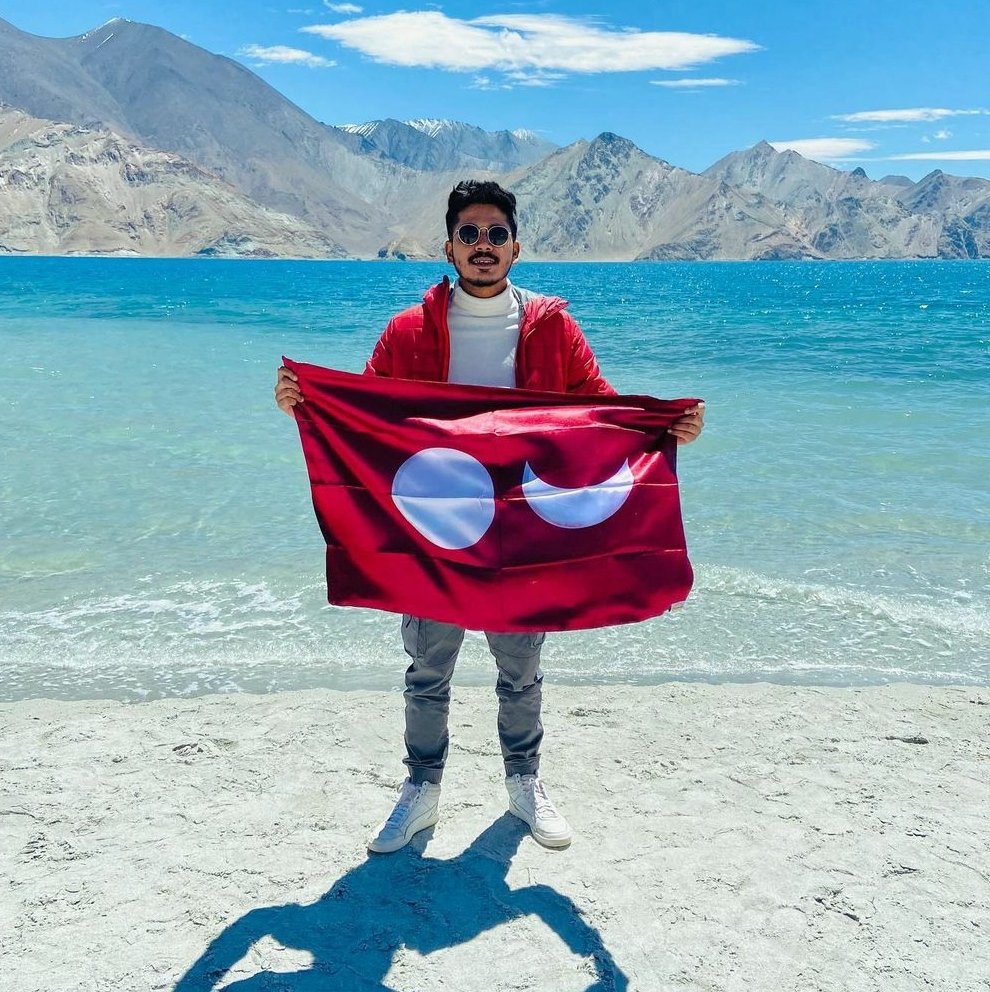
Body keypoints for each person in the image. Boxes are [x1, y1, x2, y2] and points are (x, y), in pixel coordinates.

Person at [275, 180, 704, 854]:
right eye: (469, 234)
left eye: (495, 234)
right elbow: (368, 419)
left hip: (525, 536)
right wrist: (305, 404)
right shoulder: (408, 331)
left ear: (516, 247)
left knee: (521, 671)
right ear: (448, 246)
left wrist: (662, 431)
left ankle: (524, 785)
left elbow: (600, 413)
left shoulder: (552, 327)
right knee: (427, 671)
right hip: (436, 531)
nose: (483, 245)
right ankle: (421, 790)